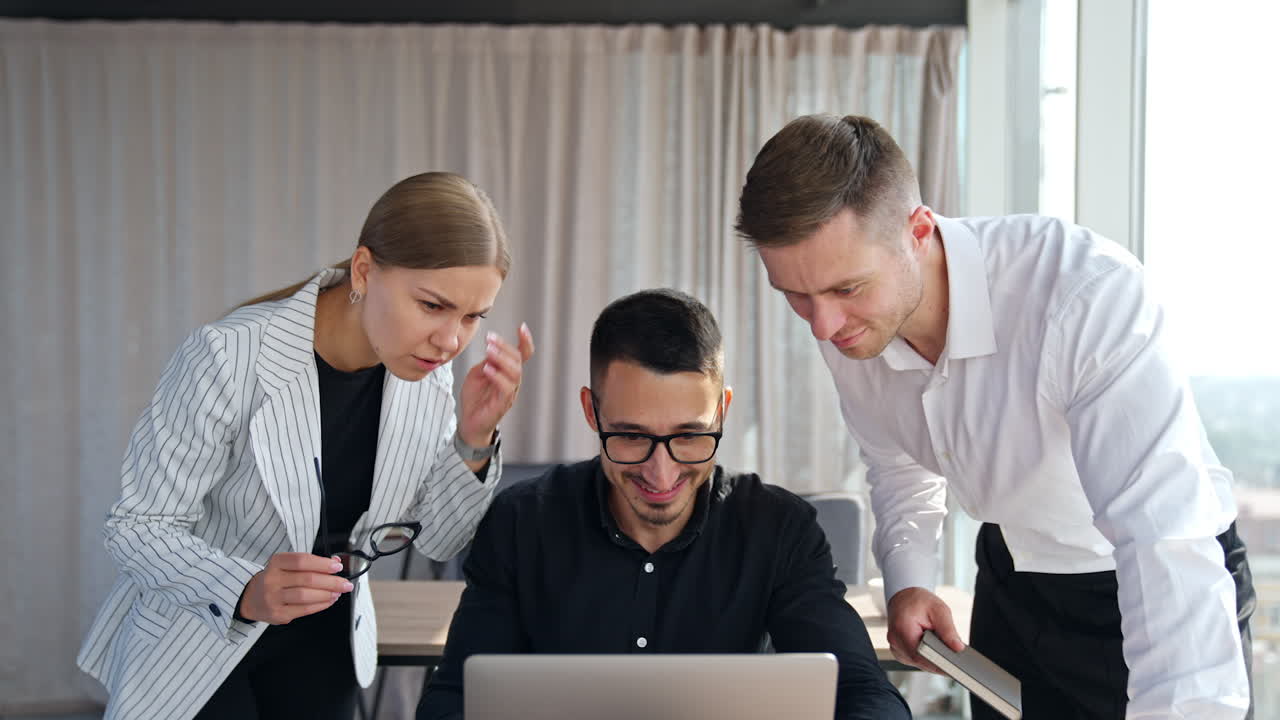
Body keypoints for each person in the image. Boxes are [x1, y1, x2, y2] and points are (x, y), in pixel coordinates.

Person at [734, 113, 1254, 718]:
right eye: (796, 295)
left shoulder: (1085, 298)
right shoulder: (849, 322)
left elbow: (1161, 541)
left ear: (918, 231)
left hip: (1145, 586)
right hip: (1011, 584)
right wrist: (910, 576)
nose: (821, 326)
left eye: (846, 289)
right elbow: (896, 461)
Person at [77, 172, 535, 720]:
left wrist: (475, 436)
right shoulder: (228, 356)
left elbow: (440, 540)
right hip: (199, 637)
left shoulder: (429, 377)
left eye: (472, 316)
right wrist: (246, 587)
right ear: (364, 270)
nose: (452, 339)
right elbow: (137, 525)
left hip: (324, 646)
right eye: (433, 306)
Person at [416, 288, 910, 720]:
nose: (662, 472)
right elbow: (452, 700)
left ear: (722, 411)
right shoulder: (522, 523)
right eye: (631, 436)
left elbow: (864, 693)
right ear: (592, 411)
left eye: (690, 436)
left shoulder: (778, 529)